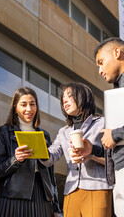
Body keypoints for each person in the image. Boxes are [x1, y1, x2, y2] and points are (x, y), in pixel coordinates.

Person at [40, 82, 113, 217]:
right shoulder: (63, 132)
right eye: (63, 99)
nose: (65, 101)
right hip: (71, 191)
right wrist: (39, 148)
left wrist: (92, 154)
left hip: (98, 187)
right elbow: (50, 157)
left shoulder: (102, 123)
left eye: (69, 96)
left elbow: (115, 157)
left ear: (83, 97)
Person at [0, 87, 60, 217]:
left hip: (42, 197)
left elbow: (51, 175)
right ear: (15, 107)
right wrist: (15, 159)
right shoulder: (4, 132)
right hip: (13, 197)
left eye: (32, 104)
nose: (29, 109)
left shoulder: (44, 135)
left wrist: (55, 205)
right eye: (24, 104)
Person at [91, 37, 124, 217]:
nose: (100, 70)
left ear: (117, 53)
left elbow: (116, 135)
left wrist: (115, 134)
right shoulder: (118, 91)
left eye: (101, 62)